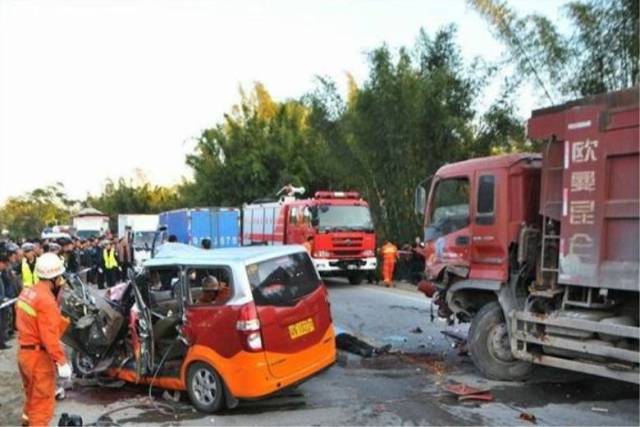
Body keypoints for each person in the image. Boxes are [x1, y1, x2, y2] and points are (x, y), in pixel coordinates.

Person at [16, 253, 72, 426]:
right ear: (54, 278)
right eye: (59, 278)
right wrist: (61, 362)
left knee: (32, 397)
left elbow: (34, 322)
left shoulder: (28, 292)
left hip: (24, 354)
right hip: (38, 358)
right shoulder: (46, 300)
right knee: (43, 404)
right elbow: (49, 337)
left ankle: (26, 422)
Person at [0, 243, 12, 349]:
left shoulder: (2, 273)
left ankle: (2, 342)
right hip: (1, 303)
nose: (6, 267)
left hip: (3, 303)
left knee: (3, 323)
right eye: (5, 264)